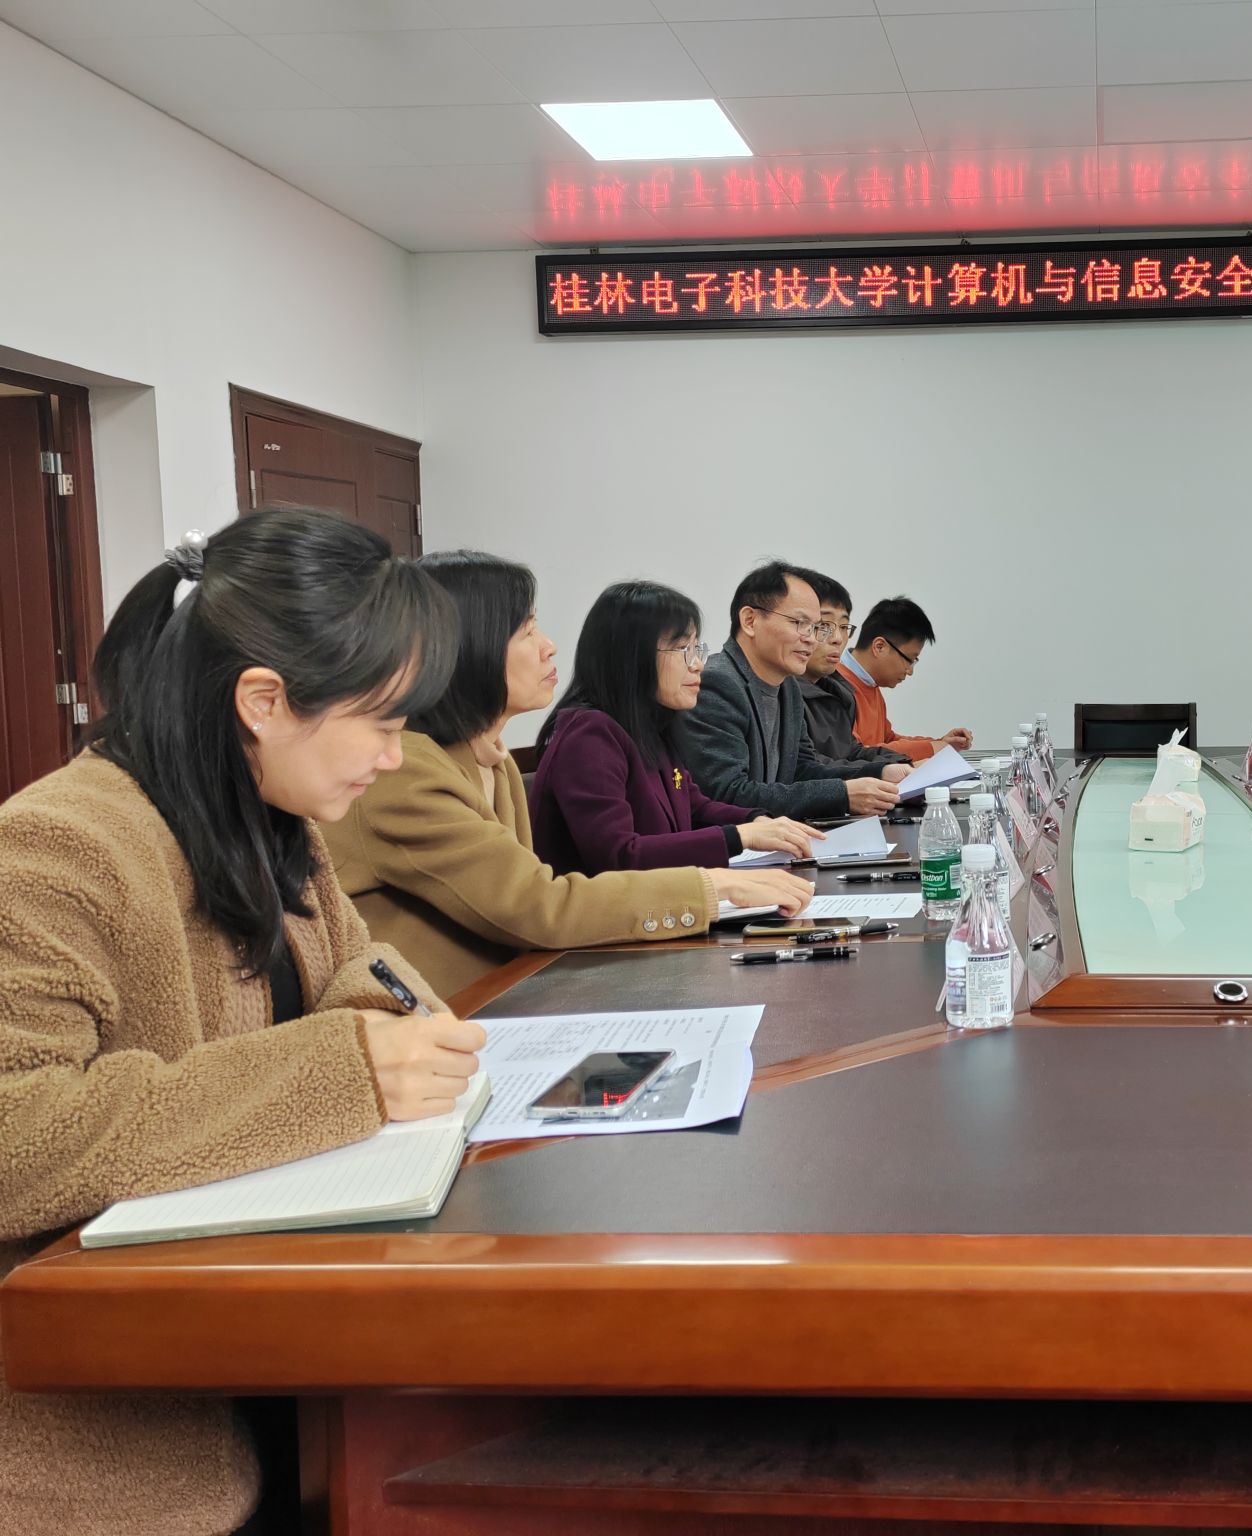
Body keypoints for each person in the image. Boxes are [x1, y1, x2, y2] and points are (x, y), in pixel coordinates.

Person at [0, 508, 481, 1536]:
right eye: (383, 723)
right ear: (262, 700)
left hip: (277, 1350)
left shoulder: (272, 817)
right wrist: (341, 1072)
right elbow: (15, 1136)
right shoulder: (57, 845)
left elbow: (360, 972)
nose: (395, 758)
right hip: (111, 1428)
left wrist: (374, 1038)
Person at [330, 553, 812, 996]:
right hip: (458, 1013)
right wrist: (712, 886)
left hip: (516, 987)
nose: (550, 646)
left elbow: (693, 802)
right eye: (527, 630)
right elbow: (537, 904)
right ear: (466, 645)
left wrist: (750, 829)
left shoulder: (491, 758)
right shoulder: (407, 770)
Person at [529, 580, 821, 876]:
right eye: (682, 648)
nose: (697, 665)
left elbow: (695, 808)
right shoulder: (590, 735)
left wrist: (757, 820)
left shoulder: (653, 725)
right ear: (632, 655)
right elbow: (620, 856)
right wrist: (739, 836)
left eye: (696, 648)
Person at [674, 562, 909, 821]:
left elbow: (802, 770)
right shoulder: (717, 683)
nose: (812, 638)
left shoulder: (788, 687)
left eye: (816, 627)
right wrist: (842, 794)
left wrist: (881, 773)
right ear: (750, 621)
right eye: (800, 623)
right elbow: (729, 794)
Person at [793, 567, 910, 769]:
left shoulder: (840, 692)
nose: (837, 639)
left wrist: (906, 764)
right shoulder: (782, 694)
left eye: (844, 627)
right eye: (824, 625)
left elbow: (852, 751)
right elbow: (807, 768)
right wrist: (882, 771)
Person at [839, 596, 973, 763]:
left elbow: (888, 739)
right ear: (879, 647)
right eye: (909, 659)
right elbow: (858, 754)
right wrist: (934, 747)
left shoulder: (870, 684)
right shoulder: (835, 686)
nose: (910, 671)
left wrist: (941, 743)